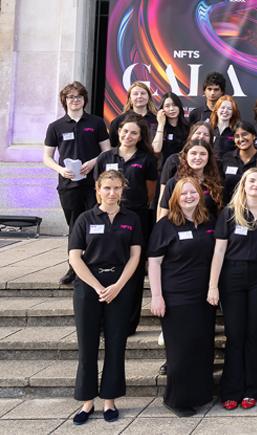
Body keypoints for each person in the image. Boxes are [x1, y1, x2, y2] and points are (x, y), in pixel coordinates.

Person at [67, 170, 142, 425]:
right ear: (98, 190)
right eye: (107, 188)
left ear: (122, 190)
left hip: (120, 284)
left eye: (117, 188)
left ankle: (109, 400)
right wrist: (97, 286)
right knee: (87, 344)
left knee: (116, 343)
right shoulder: (85, 218)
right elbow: (75, 257)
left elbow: (135, 255)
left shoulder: (131, 218)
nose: (112, 193)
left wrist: (118, 285)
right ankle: (87, 402)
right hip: (89, 285)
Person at [207, 168, 257, 410]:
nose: (256, 184)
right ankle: (231, 390)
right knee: (235, 334)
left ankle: (252, 389)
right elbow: (219, 250)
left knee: (253, 333)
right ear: (243, 185)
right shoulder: (229, 213)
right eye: (251, 181)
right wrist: (213, 285)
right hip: (232, 276)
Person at [148, 177, 217, 417]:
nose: (189, 197)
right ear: (175, 198)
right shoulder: (165, 225)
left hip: (204, 297)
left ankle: (200, 395)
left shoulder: (209, 221)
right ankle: (175, 399)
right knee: (181, 351)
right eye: (184, 193)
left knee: (202, 346)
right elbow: (154, 262)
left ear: (200, 195)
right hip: (176, 296)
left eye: (193, 192)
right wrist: (156, 296)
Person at [93, 114, 158, 335]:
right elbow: (98, 188)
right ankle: (106, 322)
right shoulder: (105, 158)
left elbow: (150, 193)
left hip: (136, 218)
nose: (128, 136)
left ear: (140, 137)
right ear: (118, 131)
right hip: (108, 217)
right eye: (125, 131)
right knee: (109, 265)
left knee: (135, 270)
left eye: (134, 133)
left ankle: (129, 323)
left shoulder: (147, 159)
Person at [44, 81, 110, 284]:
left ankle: (95, 264)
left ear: (84, 100)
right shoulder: (56, 126)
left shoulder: (96, 123)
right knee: (74, 227)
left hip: (94, 184)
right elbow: (47, 157)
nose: (75, 100)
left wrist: (92, 163)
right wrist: (60, 170)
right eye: (71, 97)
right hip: (68, 186)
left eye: (79, 96)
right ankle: (74, 267)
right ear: (64, 100)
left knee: (96, 224)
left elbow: (107, 151)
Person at [157, 138, 222, 221]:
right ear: (186, 156)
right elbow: (164, 215)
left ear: (208, 157)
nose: (198, 158)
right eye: (193, 153)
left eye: (203, 154)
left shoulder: (217, 183)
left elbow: (221, 215)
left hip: (209, 228)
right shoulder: (173, 183)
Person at [158, 122, 215, 203]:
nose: (201, 136)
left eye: (206, 135)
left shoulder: (215, 163)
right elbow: (163, 195)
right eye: (198, 133)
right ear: (191, 136)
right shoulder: (173, 160)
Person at [108, 81, 158, 146]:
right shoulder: (119, 120)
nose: (139, 96)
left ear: (149, 97)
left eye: (143, 93)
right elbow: (112, 145)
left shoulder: (157, 119)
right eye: (135, 94)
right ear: (130, 99)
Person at [221, 120, 257, 203]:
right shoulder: (227, 158)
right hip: (231, 206)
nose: (241, 139)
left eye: (244, 134)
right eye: (237, 136)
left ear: (253, 136)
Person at [152, 92, 188, 167]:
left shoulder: (188, 127)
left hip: (183, 169)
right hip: (162, 170)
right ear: (162, 109)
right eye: (167, 106)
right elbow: (156, 149)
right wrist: (161, 124)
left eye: (174, 105)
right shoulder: (156, 127)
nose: (172, 109)